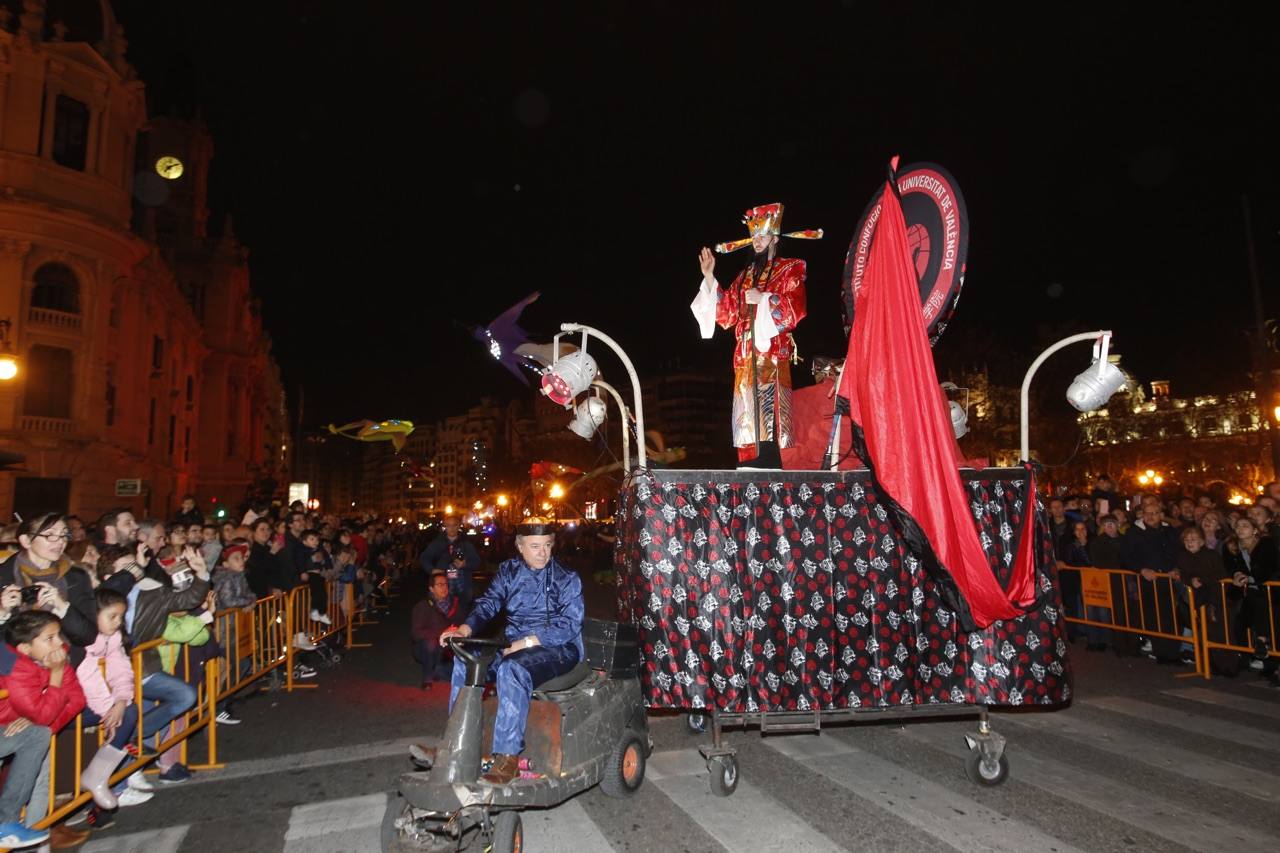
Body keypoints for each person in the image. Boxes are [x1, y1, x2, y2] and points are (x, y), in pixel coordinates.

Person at [433, 518, 584, 784]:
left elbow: (570, 624)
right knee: (466, 662)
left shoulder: (566, 577)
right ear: (519, 547)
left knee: (511, 669)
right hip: (513, 643)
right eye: (535, 546)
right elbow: (489, 603)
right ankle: (455, 745)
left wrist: (526, 643)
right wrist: (463, 631)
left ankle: (508, 757)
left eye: (547, 545)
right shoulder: (508, 571)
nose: (543, 553)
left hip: (558, 647)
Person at [691, 203, 819, 468]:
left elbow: (796, 307)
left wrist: (765, 299)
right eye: (754, 236)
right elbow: (726, 313)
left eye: (762, 235)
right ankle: (750, 468)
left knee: (769, 420)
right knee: (746, 422)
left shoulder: (789, 269)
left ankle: (769, 468)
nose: (757, 241)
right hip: (744, 358)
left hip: (771, 357)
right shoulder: (746, 276)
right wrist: (709, 277)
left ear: (774, 237)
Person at [411, 572, 463, 689]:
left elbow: (462, 624)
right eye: (440, 585)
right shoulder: (423, 606)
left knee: (460, 675)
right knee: (430, 643)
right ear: (431, 589)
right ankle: (427, 678)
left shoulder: (454, 604)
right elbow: (416, 633)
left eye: (446, 584)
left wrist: (458, 631)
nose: (444, 587)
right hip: (427, 649)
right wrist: (442, 633)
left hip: (448, 648)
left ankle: (439, 670)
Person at [419, 516, 480, 605]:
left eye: (454, 525)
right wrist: (431, 570)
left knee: (462, 612)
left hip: (463, 585)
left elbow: (476, 561)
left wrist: (465, 564)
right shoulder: (438, 543)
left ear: (459, 526)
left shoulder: (466, 543)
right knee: (444, 612)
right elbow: (424, 557)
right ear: (445, 527)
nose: (451, 528)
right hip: (444, 584)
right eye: (448, 525)